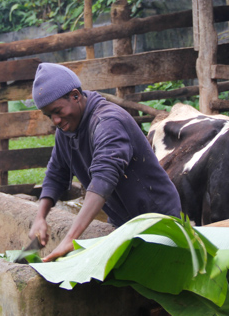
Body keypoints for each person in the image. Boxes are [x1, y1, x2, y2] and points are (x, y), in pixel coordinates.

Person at [28, 62, 182, 262]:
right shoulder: (67, 130)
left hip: (158, 222)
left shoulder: (108, 121)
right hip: (123, 221)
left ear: (75, 96)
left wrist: (70, 238)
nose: (55, 121)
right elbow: (57, 173)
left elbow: (104, 178)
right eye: (49, 115)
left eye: (57, 111)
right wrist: (41, 216)